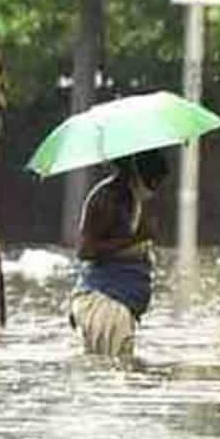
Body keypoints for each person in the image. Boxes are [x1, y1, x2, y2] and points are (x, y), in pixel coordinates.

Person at [69, 149, 170, 359]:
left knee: (117, 368)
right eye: (154, 182)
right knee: (111, 368)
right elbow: (85, 251)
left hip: (122, 302)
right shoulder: (107, 199)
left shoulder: (132, 200)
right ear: (140, 175)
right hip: (106, 302)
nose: (155, 189)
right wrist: (137, 239)